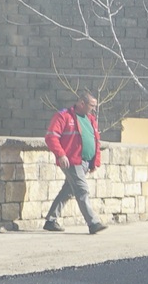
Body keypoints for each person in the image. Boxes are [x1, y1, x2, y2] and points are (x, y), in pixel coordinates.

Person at [43, 91, 107, 234]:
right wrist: (61, 155)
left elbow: (95, 141)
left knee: (68, 191)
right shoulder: (64, 116)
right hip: (71, 161)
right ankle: (93, 223)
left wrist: (94, 162)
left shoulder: (90, 120)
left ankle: (50, 221)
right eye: (92, 106)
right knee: (82, 190)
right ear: (82, 103)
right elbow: (51, 137)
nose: (94, 109)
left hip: (84, 162)